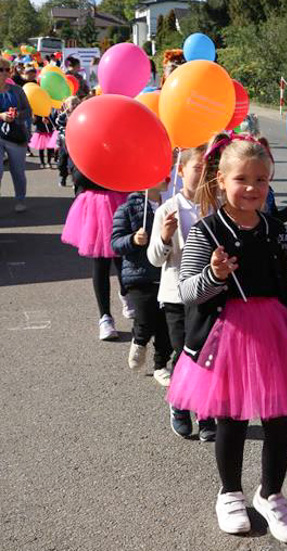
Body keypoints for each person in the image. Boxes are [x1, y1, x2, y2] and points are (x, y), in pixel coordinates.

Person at [165, 133, 287, 543]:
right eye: (242, 179)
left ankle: (271, 494)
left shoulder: (275, 231)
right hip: (226, 337)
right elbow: (187, 291)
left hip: (274, 334)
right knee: (231, 419)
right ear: (220, 180)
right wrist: (215, 276)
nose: (252, 188)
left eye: (261, 180)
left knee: (279, 419)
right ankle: (229, 493)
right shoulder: (206, 232)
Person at [147, 145, 216, 440]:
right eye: (197, 168)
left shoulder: (216, 206)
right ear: (181, 170)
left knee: (209, 355)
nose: (202, 175)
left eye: (207, 170)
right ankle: (179, 403)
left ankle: (207, 410)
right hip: (176, 294)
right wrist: (164, 236)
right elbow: (154, 258)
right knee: (185, 353)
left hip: (210, 292)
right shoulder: (167, 208)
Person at [61, 161, 134, 339]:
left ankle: (126, 294)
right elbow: (79, 177)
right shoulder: (86, 143)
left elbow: (131, 175)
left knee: (124, 258)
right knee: (100, 262)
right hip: (95, 206)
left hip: (120, 202)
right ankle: (105, 317)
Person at [111, 183, 173, 383]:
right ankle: (139, 340)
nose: (165, 176)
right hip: (139, 275)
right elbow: (115, 243)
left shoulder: (172, 205)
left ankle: (161, 364)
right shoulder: (127, 208)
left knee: (166, 324)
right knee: (145, 318)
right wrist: (133, 239)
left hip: (167, 273)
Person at [0, 59, 32, 213]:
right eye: (1, 69)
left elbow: (28, 111)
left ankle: (20, 199)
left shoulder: (17, 90)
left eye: (7, 69)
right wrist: (1, 116)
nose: (5, 72)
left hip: (15, 135)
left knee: (18, 171)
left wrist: (17, 114)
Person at [54, 96, 80, 188]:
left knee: (73, 165)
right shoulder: (63, 115)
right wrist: (64, 114)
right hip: (63, 143)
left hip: (74, 145)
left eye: (77, 103)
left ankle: (74, 180)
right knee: (61, 163)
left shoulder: (80, 115)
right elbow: (58, 122)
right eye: (72, 103)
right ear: (67, 105)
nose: (75, 105)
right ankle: (63, 176)